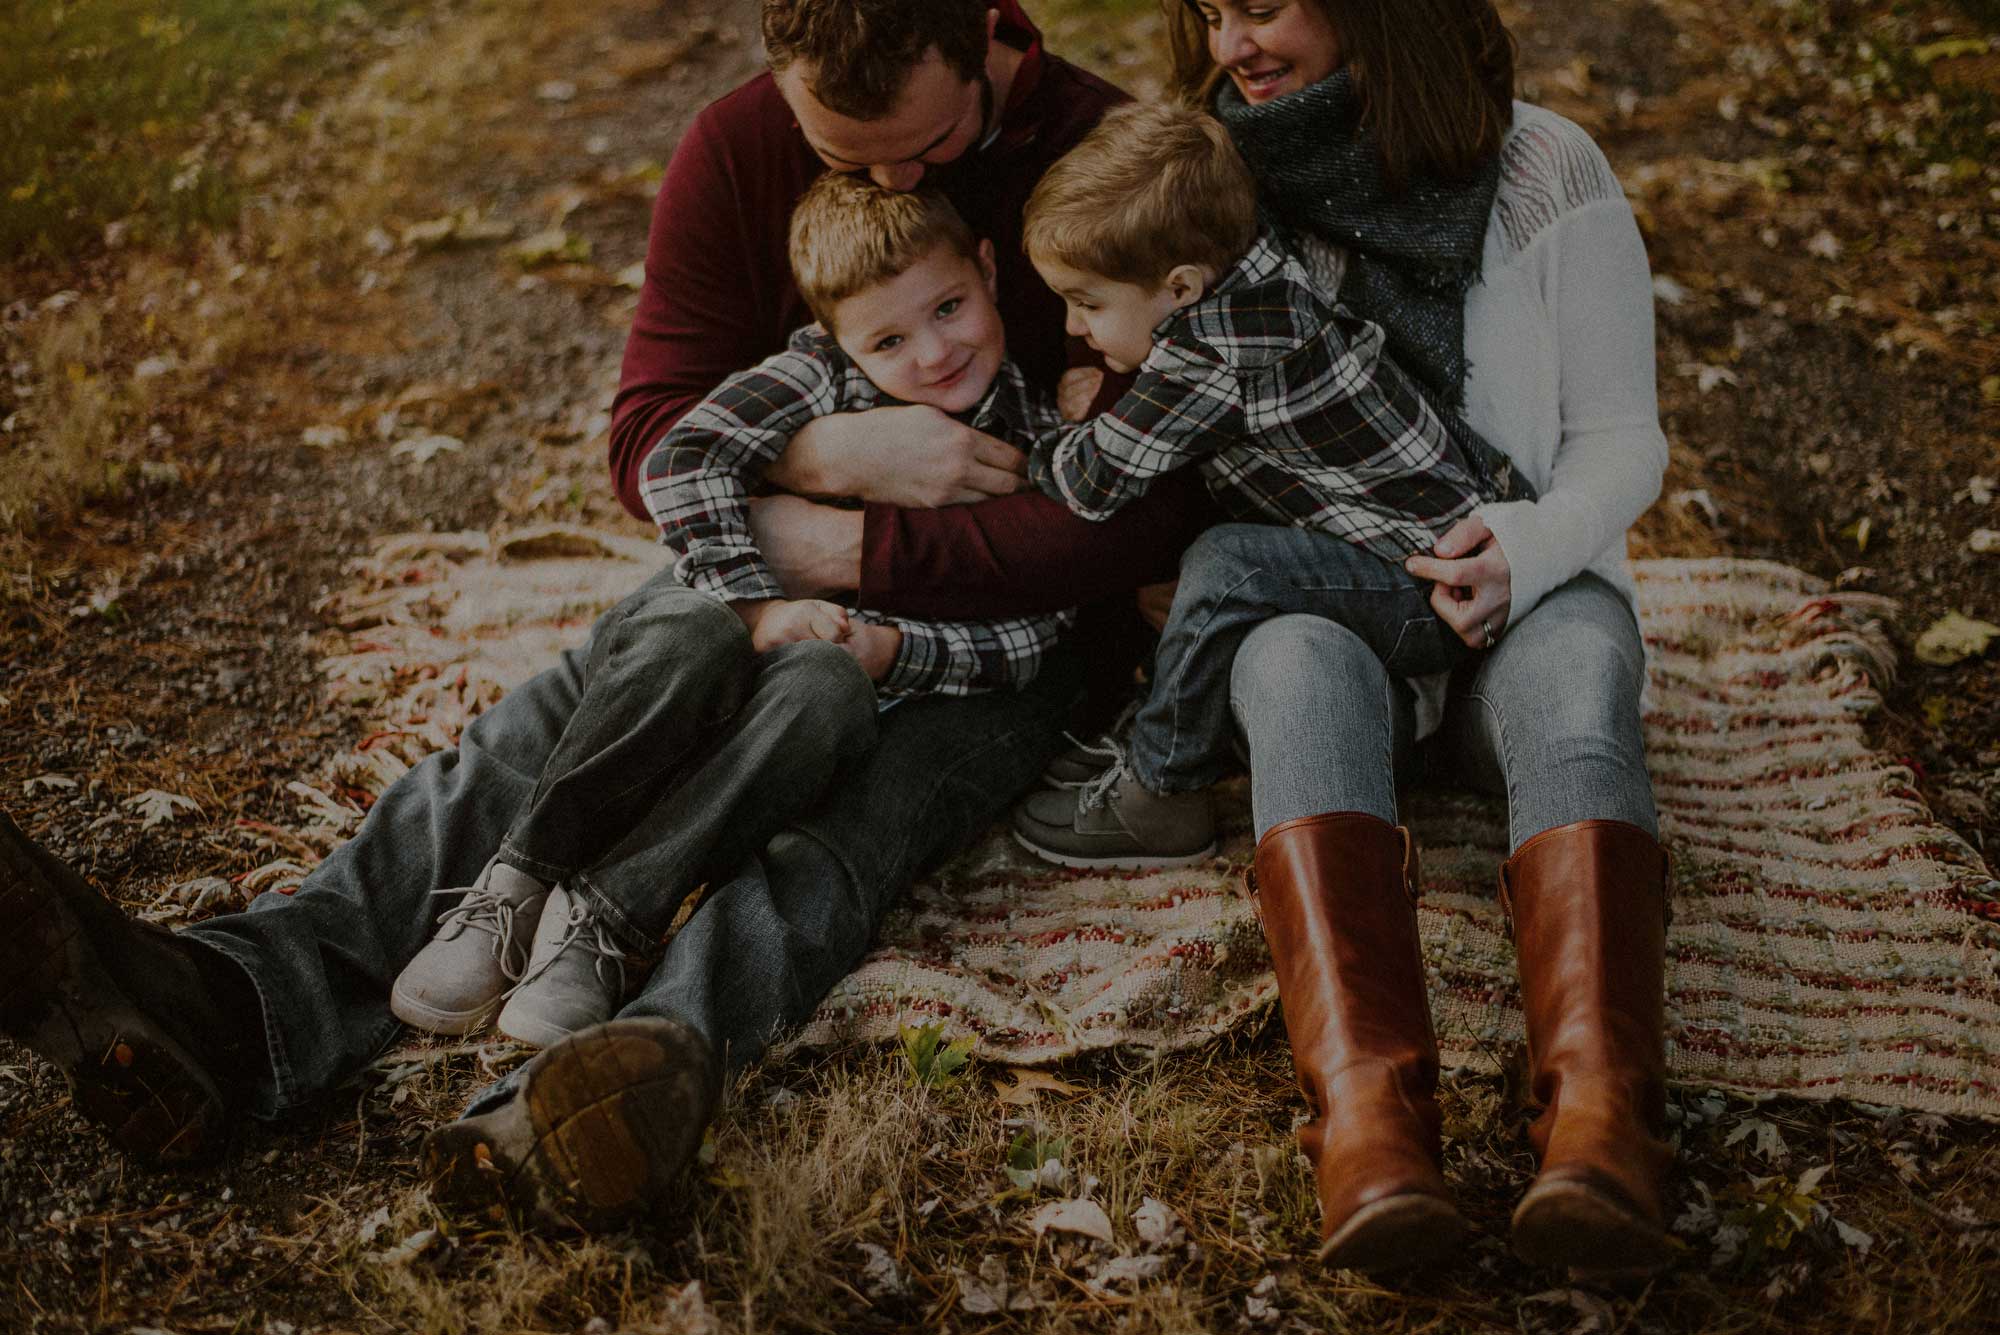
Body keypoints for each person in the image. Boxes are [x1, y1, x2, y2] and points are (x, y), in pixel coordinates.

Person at [0, 0, 1210, 1228]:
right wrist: (828, 459)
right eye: (844, 151)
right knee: (583, 710)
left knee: (831, 836)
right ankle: (240, 1004)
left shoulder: (1109, 158)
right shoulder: (737, 147)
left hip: (1010, 641)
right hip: (774, 568)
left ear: (984, 33)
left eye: (928, 142)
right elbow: (650, 437)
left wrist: (857, 548)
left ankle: (612, 1082)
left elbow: (1140, 512)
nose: (887, 176)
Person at [1149, 0, 1674, 1276]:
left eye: (1261, 5)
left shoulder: (1543, 168)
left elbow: (1619, 439)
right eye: (1207, 12)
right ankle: (1371, 1132)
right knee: (1280, 664)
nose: (1231, 47)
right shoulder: (1207, 191)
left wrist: (1525, 552)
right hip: (1327, 603)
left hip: (1522, 597)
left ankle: (1601, 1127)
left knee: (1580, 676)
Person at [390, 176, 1072, 1050]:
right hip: (717, 624)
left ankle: (607, 919)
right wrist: (755, 607)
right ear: (837, 336)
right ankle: (516, 883)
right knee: (687, 627)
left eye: (949, 307)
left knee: (827, 688)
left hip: (822, 674)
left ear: (987, 268)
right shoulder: (817, 375)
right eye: (890, 338)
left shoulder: (1031, 429)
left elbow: (1035, 624)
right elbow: (679, 460)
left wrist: (892, 645)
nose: (934, 353)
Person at [1003, 100, 1530, 869]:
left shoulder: (1218, 354)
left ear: (1181, 286)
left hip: (1432, 589)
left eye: (1087, 304)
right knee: (1215, 575)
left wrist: (1038, 445)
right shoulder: (1253, 274)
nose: (1073, 329)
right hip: (1404, 550)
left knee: (1226, 563)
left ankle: (1162, 789)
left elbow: (1093, 481)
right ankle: (1159, 736)